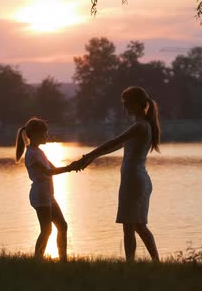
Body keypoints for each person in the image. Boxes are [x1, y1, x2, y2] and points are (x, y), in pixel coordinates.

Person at [76, 86, 161, 262]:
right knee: (138, 225)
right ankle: (155, 262)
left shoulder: (140, 127)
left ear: (138, 104)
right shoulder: (142, 126)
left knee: (130, 226)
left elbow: (114, 141)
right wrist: (92, 158)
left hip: (133, 181)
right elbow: (115, 147)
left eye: (127, 103)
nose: (125, 108)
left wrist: (89, 155)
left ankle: (133, 264)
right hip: (137, 179)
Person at [15, 117, 81, 262]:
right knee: (46, 230)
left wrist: (72, 166)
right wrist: (70, 168)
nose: (46, 136)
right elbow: (47, 172)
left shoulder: (39, 152)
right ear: (34, 135)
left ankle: (63, 260)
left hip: (48, 195)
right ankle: (37, 260)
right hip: (40, 195)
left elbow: (54, 168)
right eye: (44, 134)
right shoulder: (32, 154)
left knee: (62, 226)